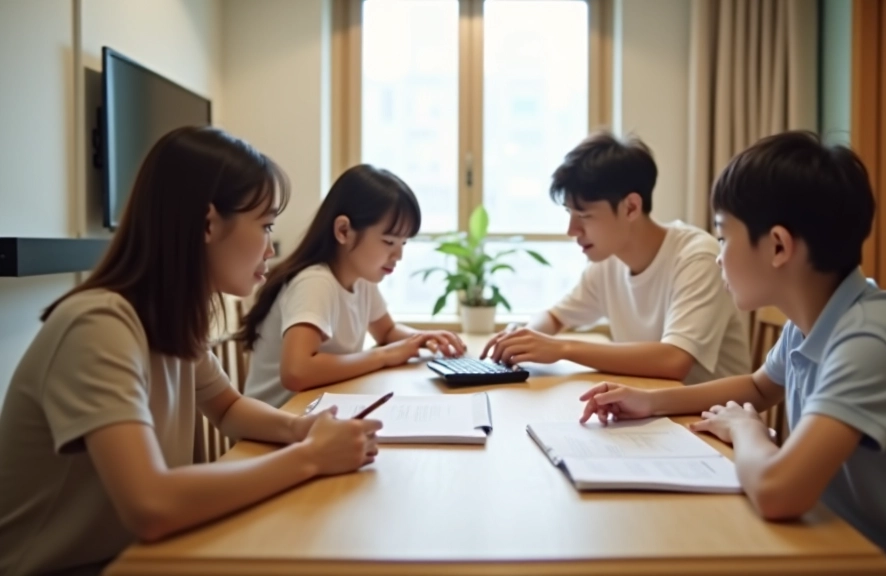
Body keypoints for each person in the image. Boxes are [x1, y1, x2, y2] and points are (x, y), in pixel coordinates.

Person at [578, 131, 886, 576]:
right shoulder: (814, 318)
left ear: (778, 246)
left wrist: (745, 430)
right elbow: (760, 386)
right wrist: (650, 401)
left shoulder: (872, 340)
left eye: (723, 237)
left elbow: (777, 492)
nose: (719, 257)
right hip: (843, 550)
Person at [0, 127, 382, 576]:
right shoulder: (98, 325)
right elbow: (152, 504)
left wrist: (302, 429)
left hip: (131, 556)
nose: (269, 246)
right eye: (265, 226)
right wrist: (311, 456)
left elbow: (228, 407)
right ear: (208, 223)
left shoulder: (168, 317)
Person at [482, 132, 749, 383]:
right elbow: (555, 317)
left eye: (584, 216)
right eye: (569, 214)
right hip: (649, 409)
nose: (571, 231)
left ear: (631, 207)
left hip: (710, 420)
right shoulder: (607, 260)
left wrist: (562, 348)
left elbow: (674, 360)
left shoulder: (697, 257)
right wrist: (523, 337)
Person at [239, 164, 466, 408]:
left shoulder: (361, 280)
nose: (398, 255)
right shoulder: (315, 282)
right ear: (344, 231)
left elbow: (387, 332)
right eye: (389, 241)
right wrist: (385, 356)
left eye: (403, 243)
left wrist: (421, 339)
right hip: (272, 431)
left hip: (311, 417)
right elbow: (296, 372)